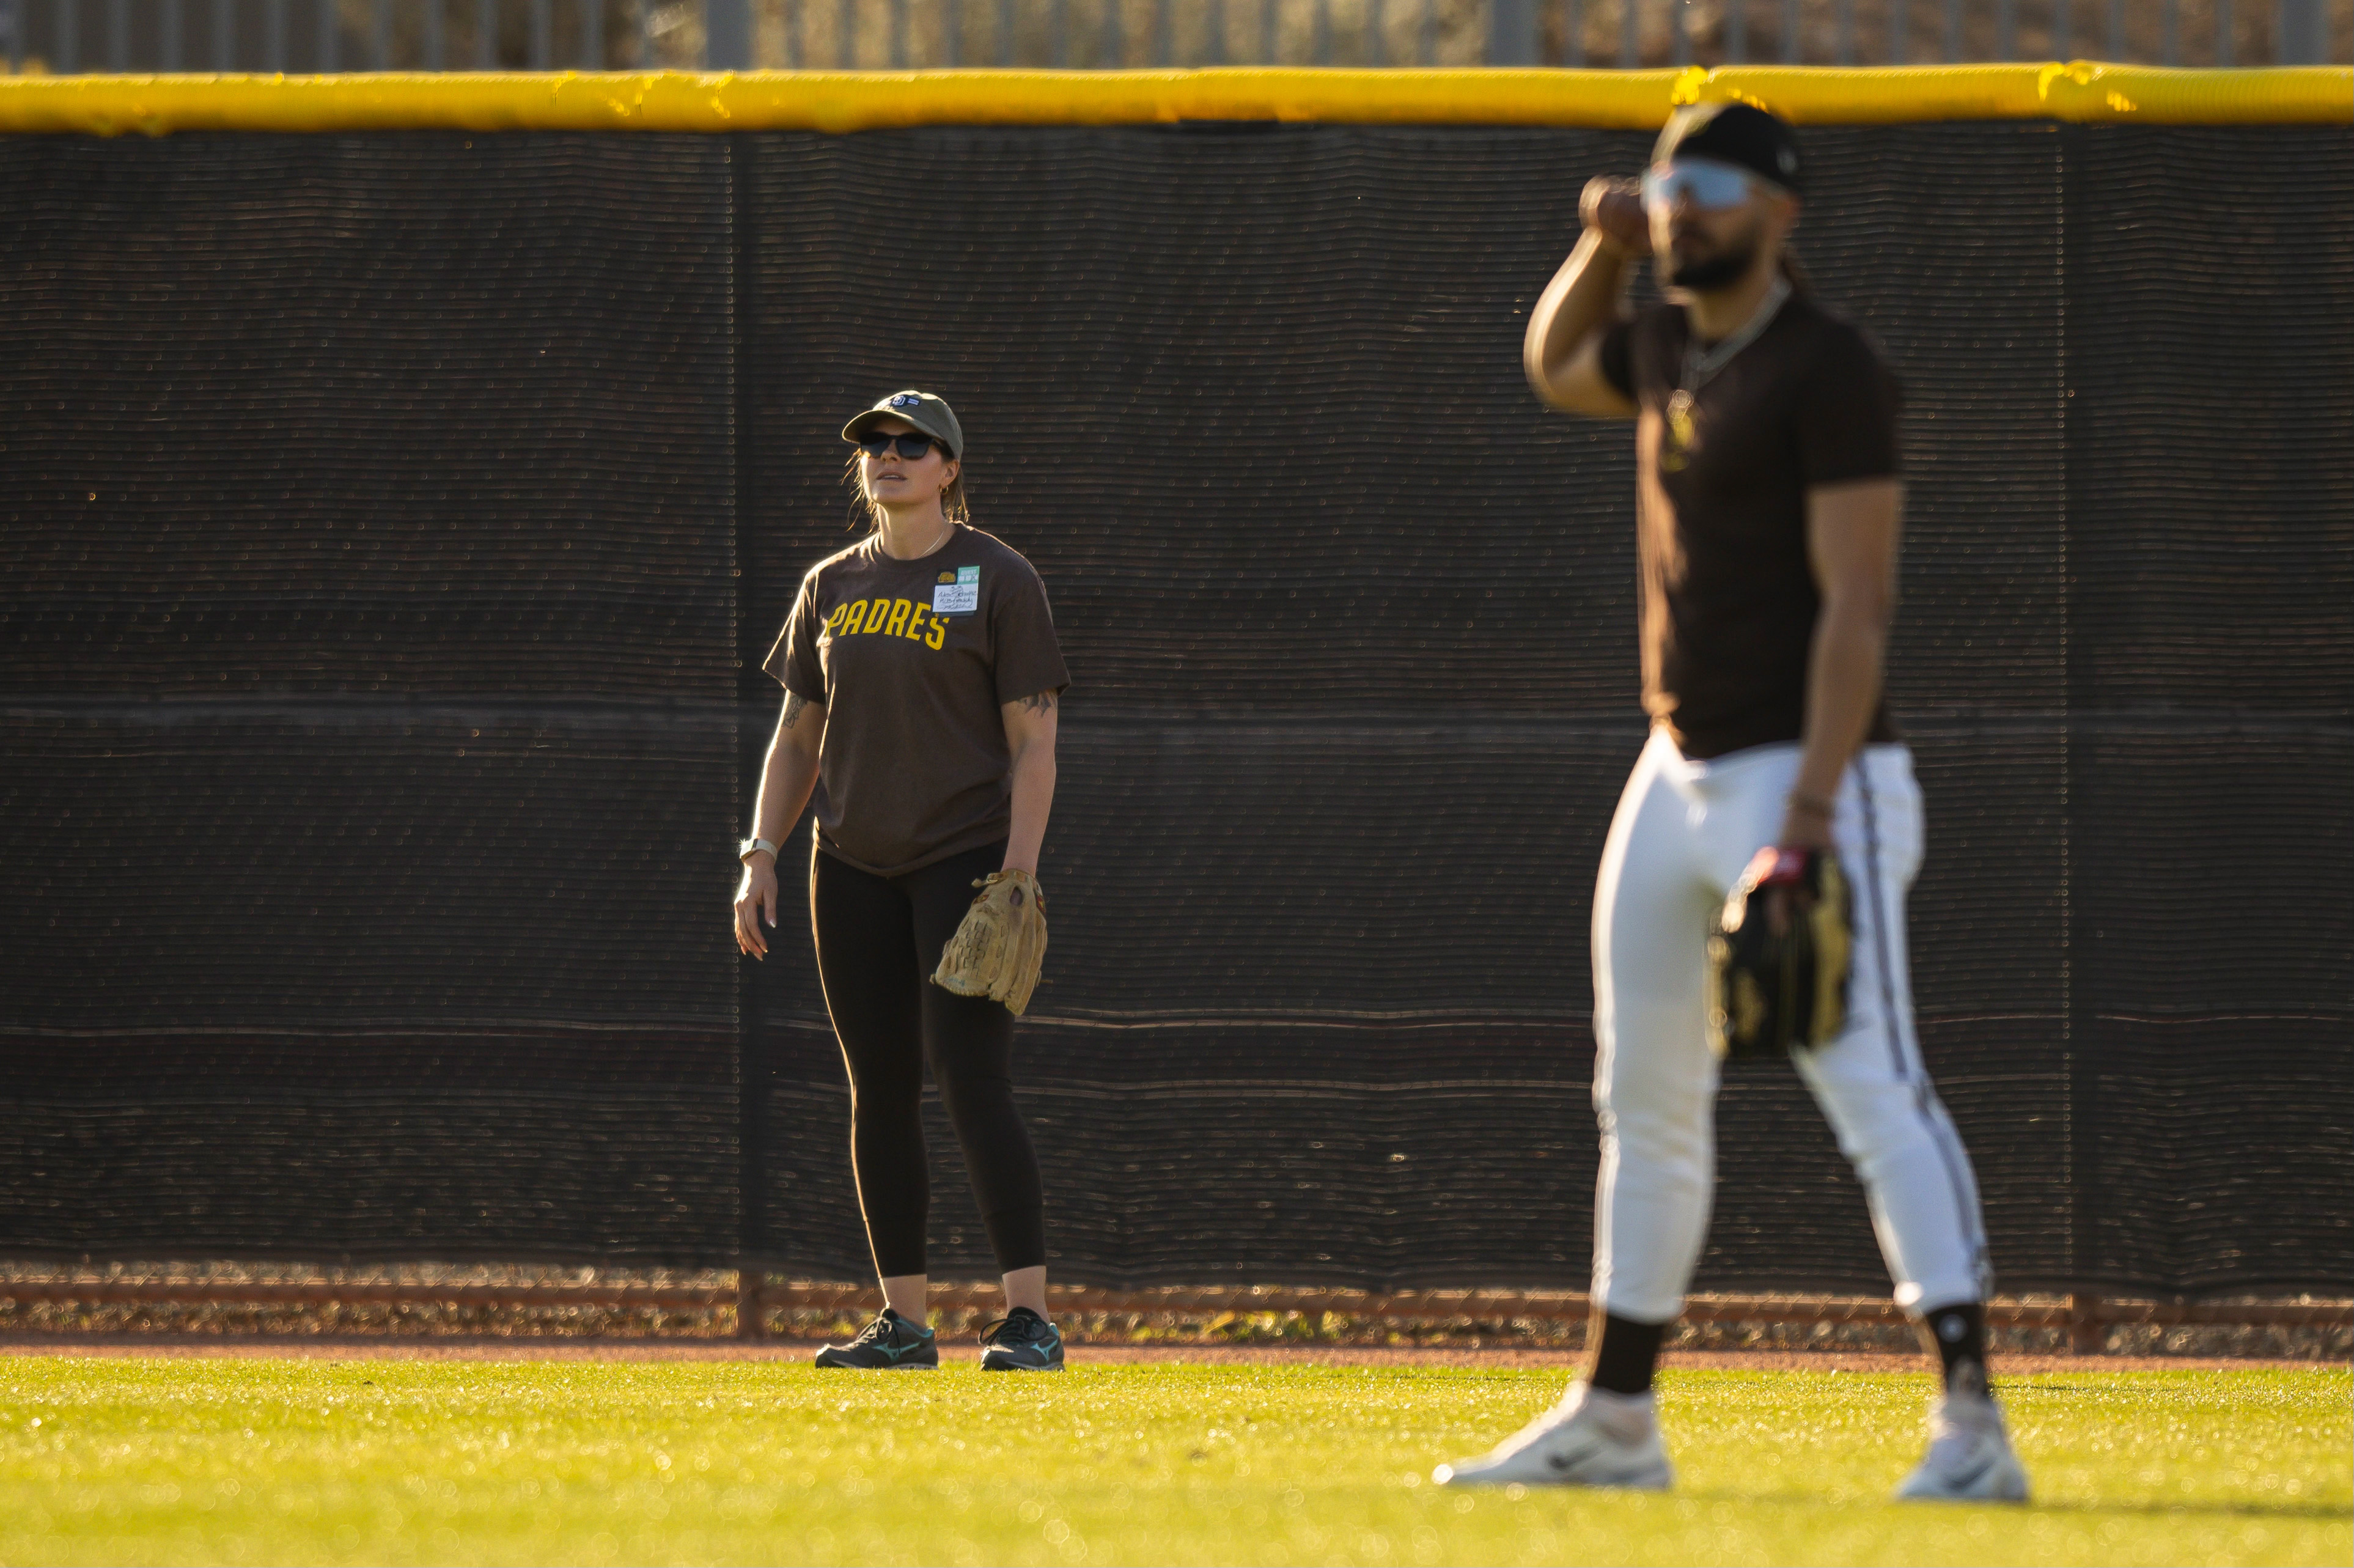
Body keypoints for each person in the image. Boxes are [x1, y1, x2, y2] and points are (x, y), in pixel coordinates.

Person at [1435, 103, 2028, 1500]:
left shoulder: (1829, 367)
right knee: (1642, 1093)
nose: (1679, 209)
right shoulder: (1670, 345)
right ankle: (1618, 1417)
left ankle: (1974, 1423)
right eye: (1666, 184)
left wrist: (1809, 821)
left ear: (1780, 211)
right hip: (1675, 765)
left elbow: (1859, 604)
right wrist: (1601, 242)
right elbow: (1554, 364)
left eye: (1707, 187)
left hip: (1809, 776)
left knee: (1872, 1085)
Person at [733, 389, 1070, 1372]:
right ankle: (905, 1322)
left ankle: (1030, 1319)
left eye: (910, 443)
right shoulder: (832, 583)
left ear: (948, 467)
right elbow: (799, 737)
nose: (888, 455)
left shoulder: (998, 576)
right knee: (876, 1088)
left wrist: (1017, 874)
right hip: (850, 866)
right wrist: (759, 854)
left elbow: (1035, 741)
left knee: (971, 1078)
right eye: (874, 444)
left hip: (964, 864)